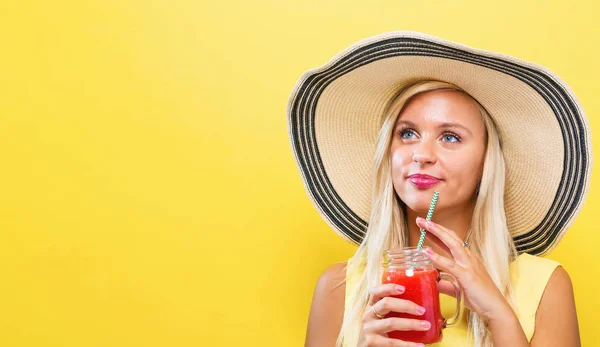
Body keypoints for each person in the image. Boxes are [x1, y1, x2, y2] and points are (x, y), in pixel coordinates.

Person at [286, 32, 592, 346]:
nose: (421, 154)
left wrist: (499, 317)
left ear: (486, 162)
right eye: (407, 133)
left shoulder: (544, 286)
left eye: (450, 137)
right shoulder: (340, 287)